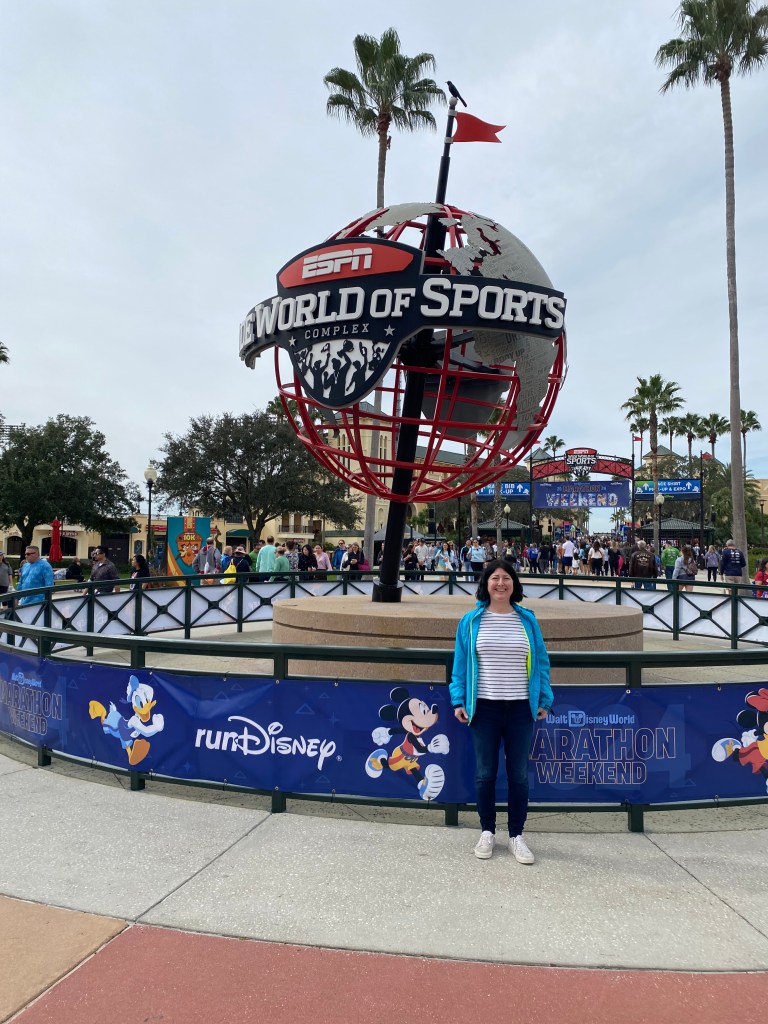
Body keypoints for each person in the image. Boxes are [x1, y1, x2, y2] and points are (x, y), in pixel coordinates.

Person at [451, 559, 553, 864]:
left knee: (518, 774)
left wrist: (544, 699)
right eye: (494, 578)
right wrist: (458, 700)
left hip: (521, 707)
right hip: (484, 708)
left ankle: (516, 835)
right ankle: (487, 831)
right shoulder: (471, 621)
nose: (500, 583)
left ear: (514, 584)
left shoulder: (527, 620)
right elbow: (460, 665)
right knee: (485, 773)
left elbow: (541, 662)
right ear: (486, 584)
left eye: (506, 578)